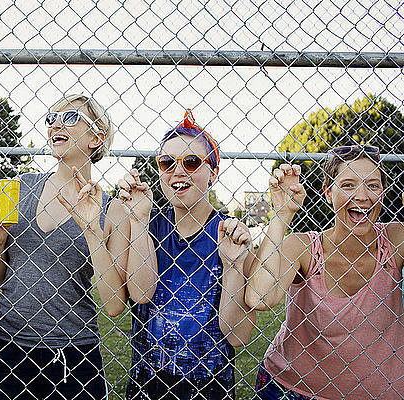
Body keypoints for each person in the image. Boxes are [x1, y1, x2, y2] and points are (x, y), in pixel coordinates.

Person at [0, 94, 129, 400]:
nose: (56, 124)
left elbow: (114, 306)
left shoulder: (112, 211)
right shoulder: (15, 188)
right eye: (51, 118)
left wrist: (91, 230)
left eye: (71, 117)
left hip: (74, 354)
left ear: (96, 138)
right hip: (6, 344)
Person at [116, 110, 256, 400]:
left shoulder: (231, 234)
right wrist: (139, 221)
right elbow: (141, 294)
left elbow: (239, 335)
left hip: (211, 387)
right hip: (146, 385)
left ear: (213, 173)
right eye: (167, 163)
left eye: (192, 162)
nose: (178, 171)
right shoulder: (146, 223)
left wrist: (232, 265)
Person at [246, 145, 404, 399]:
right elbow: (259, 298)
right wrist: (282, 214)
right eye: (349, 185)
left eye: (373, 186)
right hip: (291, 390)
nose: (362, 196)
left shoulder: (396, 239)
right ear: (328, 193)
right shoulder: (304, 246)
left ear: (383, 193)